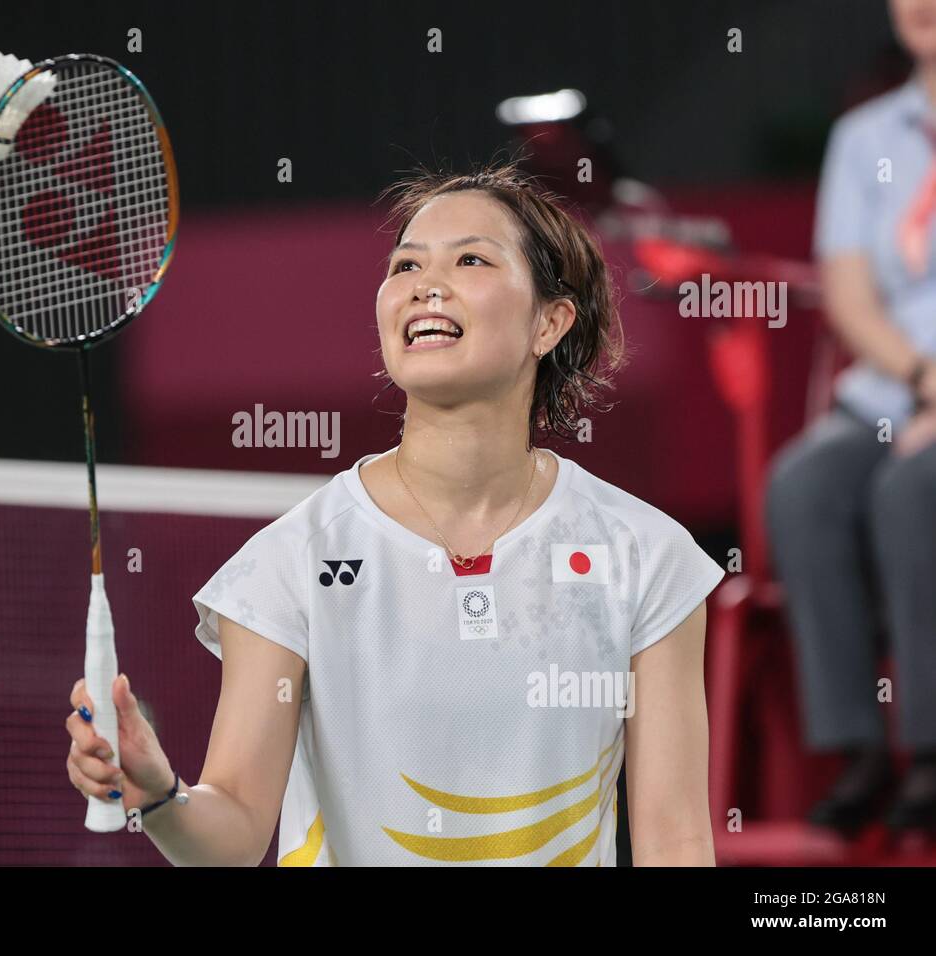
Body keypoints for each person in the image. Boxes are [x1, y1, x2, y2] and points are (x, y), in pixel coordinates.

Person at [65, 161, 726, 865]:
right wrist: (162, 793)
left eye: (470, 258)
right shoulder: (291, 560)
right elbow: (232, 832)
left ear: (550, 322)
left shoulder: (644, 556)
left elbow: (676, 839)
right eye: (405, 264)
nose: (424, 284)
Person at [764, 0, 936, 837]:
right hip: (897, 388)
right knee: (803, 484)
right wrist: (919, 376)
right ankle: (856, 749)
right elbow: (851, 294)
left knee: (912, 489)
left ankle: (930, 755)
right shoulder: (865, 138)